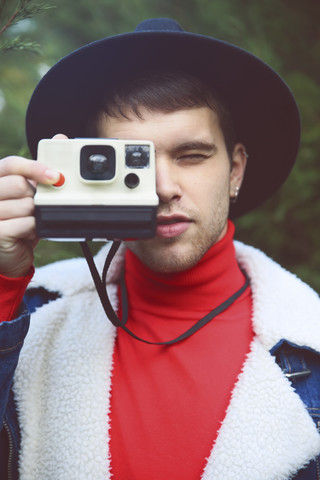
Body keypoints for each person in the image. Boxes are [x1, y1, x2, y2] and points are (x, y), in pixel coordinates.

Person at [0, 17, 319, 480]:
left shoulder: (310, 344)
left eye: (191, 155)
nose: (164, 187)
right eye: (134, 161)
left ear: (235, 170)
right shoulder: (31, 318)